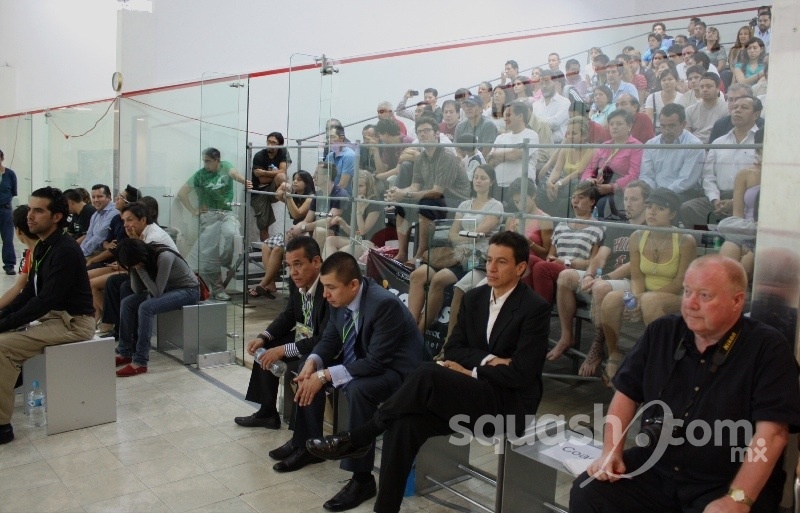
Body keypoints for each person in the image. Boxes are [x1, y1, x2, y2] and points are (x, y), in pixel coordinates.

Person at [306, 231, 551, 513]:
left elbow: (521, 374)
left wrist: (471, 371)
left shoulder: (535, 308)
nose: (492, 268)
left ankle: (361, 437)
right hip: (471, 396)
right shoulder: (474, 298)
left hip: (508, 406)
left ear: (520, 268)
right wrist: (490, 361)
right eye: (489, 260)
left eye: (502, 262)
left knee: (428, 372)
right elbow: (454, 349)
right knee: (402, 425)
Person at [570, 255, 800, 513]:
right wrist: (611, 452)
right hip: (657, 467)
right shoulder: (662, 331)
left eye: (705, 295)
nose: (690, 303)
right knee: (589, 492)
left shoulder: (768, 349)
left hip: (726, 479)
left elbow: (773, 434)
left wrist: (738, 499)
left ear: (737, 300)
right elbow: (626, 393)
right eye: (687, 291)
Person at [290, 252, 425, 511]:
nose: (325, 295)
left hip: (401, 373)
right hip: (368, 363)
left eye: (331, 288)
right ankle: (305, 445)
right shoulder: (338, 299)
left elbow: (376, 362)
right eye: (324, 287)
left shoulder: (383, 305)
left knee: (358, 389)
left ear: (353, 284)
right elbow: (330, 339)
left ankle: (362, 479)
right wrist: (313, 364)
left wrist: (325, 375)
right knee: (307, 369)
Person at [0, 187, 96, 445]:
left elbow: (45, 300)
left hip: (74, 323)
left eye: (38, 211)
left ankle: (2, 426)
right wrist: (3, 317)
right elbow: (30, 294)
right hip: (55, 317)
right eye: (30, 209)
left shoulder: (64, 250)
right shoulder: (45, 246)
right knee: (7, 334)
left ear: (56, 217)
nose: (29, 216)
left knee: (2, 347)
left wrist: (5, 324)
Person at [549, 181, 650, 366]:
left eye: (634, 199)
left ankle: (597, 345)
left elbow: (635, 264)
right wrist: (589, 274)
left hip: (628, 282)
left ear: (646, 202)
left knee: (600, 288)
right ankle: (566, 335)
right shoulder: (618, 227)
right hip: (605, 278)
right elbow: (600, 257)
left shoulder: (649, 229)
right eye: (626, 199)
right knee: (566, 276)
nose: (628, 204)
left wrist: (603, 278)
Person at [601, 188, 696, 381]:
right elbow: (637, 278)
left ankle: (661, 361)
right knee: (611, 299)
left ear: (672, 214)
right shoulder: (637, 236)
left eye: (660, 208)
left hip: (676, 296)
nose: (652, 212)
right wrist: (635, 300)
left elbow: (679, 283)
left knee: (650, 301)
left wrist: (641, 299)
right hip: (646, 293)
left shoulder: (685, 240)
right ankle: (614, 354)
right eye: (649, 206)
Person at [234, 236, 329, 430]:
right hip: (305, 336)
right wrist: (264, 336)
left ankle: (300, 434)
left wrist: (283, 350)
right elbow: (289, 315)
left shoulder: (328, 288)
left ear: (316, 262)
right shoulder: (297, 281)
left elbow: (324, 339)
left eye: (298, 264)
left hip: (323, 345)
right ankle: (267, 413)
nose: (293, 272)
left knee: (293, 359)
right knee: (266, 348)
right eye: (289, 266)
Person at [407, 164, 503, 332]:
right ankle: (409, 325)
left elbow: (479, 233)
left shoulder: (496, 206)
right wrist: (466, 236)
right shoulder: (464, 204)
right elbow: (452, 234)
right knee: (417, 275)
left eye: (483, 178)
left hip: (476, 257)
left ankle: (418, 332)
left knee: (439, 279)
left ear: (492, 182)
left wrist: (465, 236)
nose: (478, 181)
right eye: (476, 177)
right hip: (456, 253)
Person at [386, 117, 470, 264]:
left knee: (427, 204)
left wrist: (405, 193)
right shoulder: (420, 158)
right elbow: (414, 187)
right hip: (436, 199)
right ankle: (402, 253)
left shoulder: (447, 156)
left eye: (426, 130)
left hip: (457, 201)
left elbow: (437, 192)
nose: (422, 134)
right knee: (402, 205)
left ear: (437, 134)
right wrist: (397, 193)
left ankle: (420, 255)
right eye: (419, 132)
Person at [115, 239, 199, 376]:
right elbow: (137, 290)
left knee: (146, 307)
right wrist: (134, 270)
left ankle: (140, 361)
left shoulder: (164, 256)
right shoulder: (141, 261)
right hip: (168, 290)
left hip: (188, 291)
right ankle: (125, 352)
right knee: (127, 303)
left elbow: (157, 292)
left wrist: (140, 269)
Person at [177, 147, 251, 301]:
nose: (205, 164)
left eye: (208, 161)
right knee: (209, 256)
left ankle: (225, 261)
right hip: (209, 216)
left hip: (226, 213)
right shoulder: (200, 175)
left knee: (232, 234)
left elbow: (233, 173)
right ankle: (218, 290)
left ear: (217, 160)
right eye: (204, 161)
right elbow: (182, 193)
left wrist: (243, 181)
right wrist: (193, 211)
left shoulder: (225, 166)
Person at [680, 96, 761, 230]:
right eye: (734, 107)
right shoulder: (719, 142)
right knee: (688, 208)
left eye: (744, 107)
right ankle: (709, 239)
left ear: (756, 115)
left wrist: (734, 201)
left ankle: (729, 238)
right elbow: (708, 176)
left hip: (749, 197)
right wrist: (715, 199)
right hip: (719, 195)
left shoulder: (761, 142)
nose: (737, 111)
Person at [527, 181, 605, 303]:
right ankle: (528, 305)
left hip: (576, 272)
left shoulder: (599, 228)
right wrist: (552, 260)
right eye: (573, 197)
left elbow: (594, 262)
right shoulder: (562, 225)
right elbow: (550, 255)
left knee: (541, 267)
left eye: (581, 197)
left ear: (592, 201)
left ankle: (541, 310)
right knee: (528, 260)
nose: (575, 201)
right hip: (555, 267)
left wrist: (566, 262)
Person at [249, 170, 315, 298]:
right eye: (294, 179)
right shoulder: (294, 196)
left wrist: (288, 196)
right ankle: (271, 283)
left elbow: (297, 214)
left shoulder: (310, 197)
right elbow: (278, 196)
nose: (295, 182)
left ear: (307, 183)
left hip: (305, 233)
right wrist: (283, 186)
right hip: (293, 232)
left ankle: (263, 283)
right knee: (266, 245)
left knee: (277, 249)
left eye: (299, 180)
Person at [717, 129, 763, 278]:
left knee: (746, 264)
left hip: (766, 231)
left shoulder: (785, 174)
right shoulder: (745, 174)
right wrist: (743, 240)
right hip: (746, 228)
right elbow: (737, 213)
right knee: (728, 251)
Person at [581, 109, 643, 219]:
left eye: (619, 124)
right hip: (597, 185)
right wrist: (589, 179)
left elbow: (634, 175)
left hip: (620, 190)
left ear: (629, 126)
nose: (614, 127)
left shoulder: (636, 146)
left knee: (602, 204)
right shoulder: (605, 145)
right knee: (575, 197)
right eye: (611, 124)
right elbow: (590, 168)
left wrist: (612, 187)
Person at [640, 103, 705, 205]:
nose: (666, 130)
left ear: (683, 124)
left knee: (661, 205)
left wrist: (660, 195)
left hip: (683, 194)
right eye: (663, 126)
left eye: (671, 126)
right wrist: (653, 193)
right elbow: (646, 175)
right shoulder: (651, 144)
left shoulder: (694, 145)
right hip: (654, 193)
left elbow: (685, 181)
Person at [324, 170, 383, 259]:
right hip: (357, 240)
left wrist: (358, 210)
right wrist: (343, 224)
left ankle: (333, 266)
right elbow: (354, 232)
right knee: (330, 240)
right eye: (355, 186)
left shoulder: (375, 203)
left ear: (369, 186)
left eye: (361, 186)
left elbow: (363, 231)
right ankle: (328, 267)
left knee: (341, 252)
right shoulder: (355, 201)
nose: (357, 189)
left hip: (370, 242)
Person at [489, 100, 539, 198]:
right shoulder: (500, 137)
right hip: (499, 188)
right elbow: (490, 160)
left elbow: (515, 154)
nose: (505, 119)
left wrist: (496, 155)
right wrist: (507, 155)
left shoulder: (531, 135)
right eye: (504, 116)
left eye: (508, 115)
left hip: (521, 188)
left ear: (520, 116)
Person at [251, 132, 289, 241]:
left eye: (274, 143)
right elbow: (262, 180)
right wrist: (276, 174)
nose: (270, 145)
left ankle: (288, 200)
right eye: (269, 142)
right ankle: (266, 249)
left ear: (280, 145)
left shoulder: (283, 152)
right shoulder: (259, 156)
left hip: (274, 188)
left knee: (282, 176)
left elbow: (282, 172)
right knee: (263, 226)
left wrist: (264, 172)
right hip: (259, 190)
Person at [0, 206, 38, 310]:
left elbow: (19, 287)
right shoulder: (31, 252)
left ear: (18, 231)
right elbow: (19, 287)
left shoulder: (36, 252)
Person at [685, 72, 728, 144]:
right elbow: (687, 136)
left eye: (709, 86)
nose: (704, 90)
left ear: (718, 88)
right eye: (701, 87)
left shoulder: (727, 109)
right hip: (695, 147)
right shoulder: (690, 110)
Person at [532, 69, 571, 144]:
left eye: (547, 83)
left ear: (555, 83)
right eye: (541, 83)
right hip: (538, 144)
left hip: (558, 145)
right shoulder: (535, 105)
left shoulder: (565, 102)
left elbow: (555, 123)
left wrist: (537, 124)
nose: (544, 86)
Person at [80, 184, 119, 258]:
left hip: (108, 254)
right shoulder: (95, 214)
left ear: (109, 197)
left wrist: (81, 253)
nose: (96, 200)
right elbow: (88, 235)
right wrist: (80, 251)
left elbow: (99, 236)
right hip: (94, 251)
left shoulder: (114, 212)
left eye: (100, 196)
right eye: (93, 197)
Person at [644, 68, 684, 132]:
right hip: (656, 132)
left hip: (676, 132)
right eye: (663, 80)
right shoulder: (652, 97)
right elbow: (648, 121)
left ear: (676, 81)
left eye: (670, 79)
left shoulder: (683, 98)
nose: (667, 82)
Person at [324, 126, 356, 194]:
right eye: (327, 137)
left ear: (341, 138)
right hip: (330, 194)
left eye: (332, 137)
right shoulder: (329, 156)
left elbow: (342, 185)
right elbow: (324, 179)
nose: (329, 140)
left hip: (344, 196)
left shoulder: (349, 155)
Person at [0, 150, 17, 276]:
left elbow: (13, 192)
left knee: (7, 238)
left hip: (5, 210)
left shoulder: (10, 174)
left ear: (2, 158)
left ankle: (9, 265)